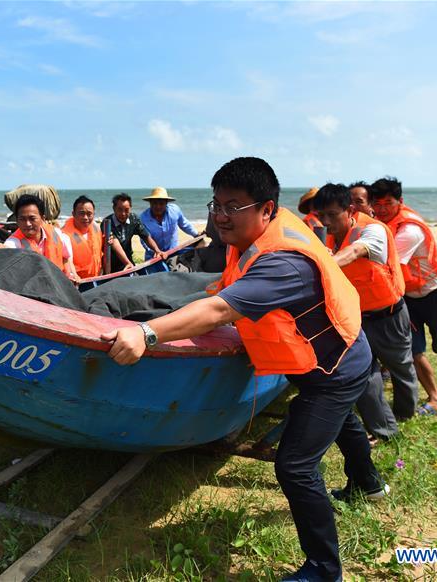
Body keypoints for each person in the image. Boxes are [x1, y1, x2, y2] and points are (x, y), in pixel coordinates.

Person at [103, 157, 386, 582]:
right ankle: (369, 483)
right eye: (215, 204)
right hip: (337, 352)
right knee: (343, 421)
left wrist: (146, 334)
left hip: (332, 370)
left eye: (233, 206)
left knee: (295, 465)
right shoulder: (267, 233)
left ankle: (325, 569)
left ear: (266, 208)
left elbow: (219, 309)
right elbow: (227, 285)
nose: (219, 215)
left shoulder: (283, 261)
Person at [314, 184, 420, 435]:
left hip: (388, 314)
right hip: (355, 318)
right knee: (365, 375)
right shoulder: (325, 236)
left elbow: (356, 251)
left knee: (401, 367)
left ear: (349, 210)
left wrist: (325, 263)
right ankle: (383, 430)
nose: (326, 221)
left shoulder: (373, 229)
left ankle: (406, 413)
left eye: (332, 214)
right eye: (321, 215)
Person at [371, 177, 437, 415]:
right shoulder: (380, 224)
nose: (383, 208)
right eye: (378, 203)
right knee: (414, 350)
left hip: (434, 292)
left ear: (400, 202)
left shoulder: (409, 229)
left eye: (389, 202)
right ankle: (435, 398)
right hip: (406, 296)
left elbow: (387, 264)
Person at [0, 194, 80, 283]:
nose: (28, 224)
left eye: (32, 218)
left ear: (42, 219)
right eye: (22, 219)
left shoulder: (57, 233)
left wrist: (71, 275)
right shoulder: (13, 243)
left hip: (59, 287)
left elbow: (66, 257)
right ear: (17, 220)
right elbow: (2, 252)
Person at [101, 193, 166, 271]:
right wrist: (127, 263)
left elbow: (146, 236)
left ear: (130, 208)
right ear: (114, 208)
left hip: (129, 261)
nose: (123, 214)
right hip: (110, 265)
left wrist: (157, 250)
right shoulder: (107, 223)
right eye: (120, 209)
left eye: (126, 210)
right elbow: (115, 244)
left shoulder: (134, 219)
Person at [139, 187, 199, 260]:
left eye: (161, 204)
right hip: (153, 257)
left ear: (166, 203)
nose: (158, 206)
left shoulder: (174, 211)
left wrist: (196, 234)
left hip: (173, 253)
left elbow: (184, 224)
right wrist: (156, 251)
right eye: (155, 203)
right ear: (150, 203)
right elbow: (144, 239)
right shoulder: (143, 218)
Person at [61, 195, 103, 279]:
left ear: (94, 214)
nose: (85, 218)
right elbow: (65, 260)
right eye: (82, 213)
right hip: (76, 281)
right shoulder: (64, 235)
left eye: (89, 214)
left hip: (96, 278)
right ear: (73, 214)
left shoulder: (96, 228)